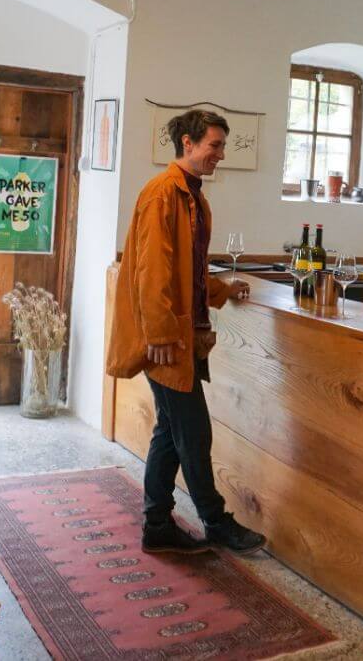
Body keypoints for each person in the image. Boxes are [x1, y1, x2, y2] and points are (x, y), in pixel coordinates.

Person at [106, 109, 268, 556]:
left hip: (180, 336)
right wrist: (159, 335)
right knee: (193, 433)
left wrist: (222, 289)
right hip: (167, 340)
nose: (221, 154)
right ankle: (215, 522)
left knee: (171, 431)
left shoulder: (193, 198)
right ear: (188, 144)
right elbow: (151, 271)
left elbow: (189, 271)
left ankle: (157, 524)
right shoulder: (163, 193)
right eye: (215, 145)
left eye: (222, 146)